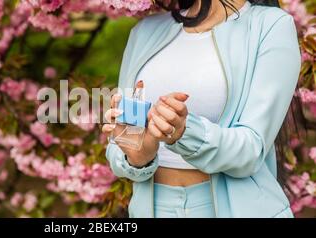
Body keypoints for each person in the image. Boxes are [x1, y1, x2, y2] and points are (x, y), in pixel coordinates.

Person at [102, 0, 301, 218]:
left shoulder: (271, 26)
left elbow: (251, 149)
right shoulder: (145, 30)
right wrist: (138, 155)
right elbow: (118, 141)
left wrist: (184, 133)